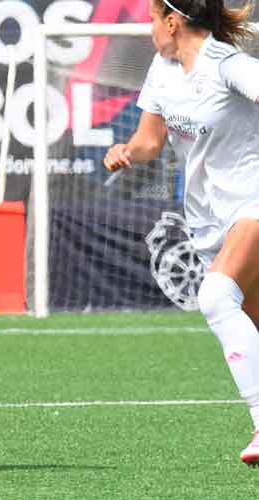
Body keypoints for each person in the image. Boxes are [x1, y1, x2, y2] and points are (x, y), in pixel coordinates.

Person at [104, 0, 259, 466]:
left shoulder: (229, 64)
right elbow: (150, 141)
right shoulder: (162, 68)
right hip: (208, 220)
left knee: (214, 296)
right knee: (251, 322)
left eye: (152, 18)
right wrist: (126, 150)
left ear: (172, 21)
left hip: (252, 202)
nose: (149, 28)